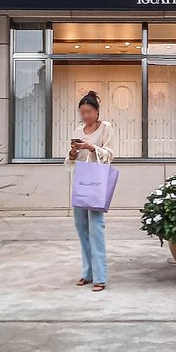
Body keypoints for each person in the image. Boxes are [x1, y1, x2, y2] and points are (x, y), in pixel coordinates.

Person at [65, 89, 115, 292]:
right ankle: (87, 273)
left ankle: (100, 277)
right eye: (82, 112)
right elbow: (69, 161)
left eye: (88, 112)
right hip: (81, 181)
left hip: (96, 182)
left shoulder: (105, 128)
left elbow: (110, 154)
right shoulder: (78, 131)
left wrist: (91, 147)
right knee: (81, 228)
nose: (85, 116)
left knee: (96, 229)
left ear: (96, 112)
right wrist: (74, 151)